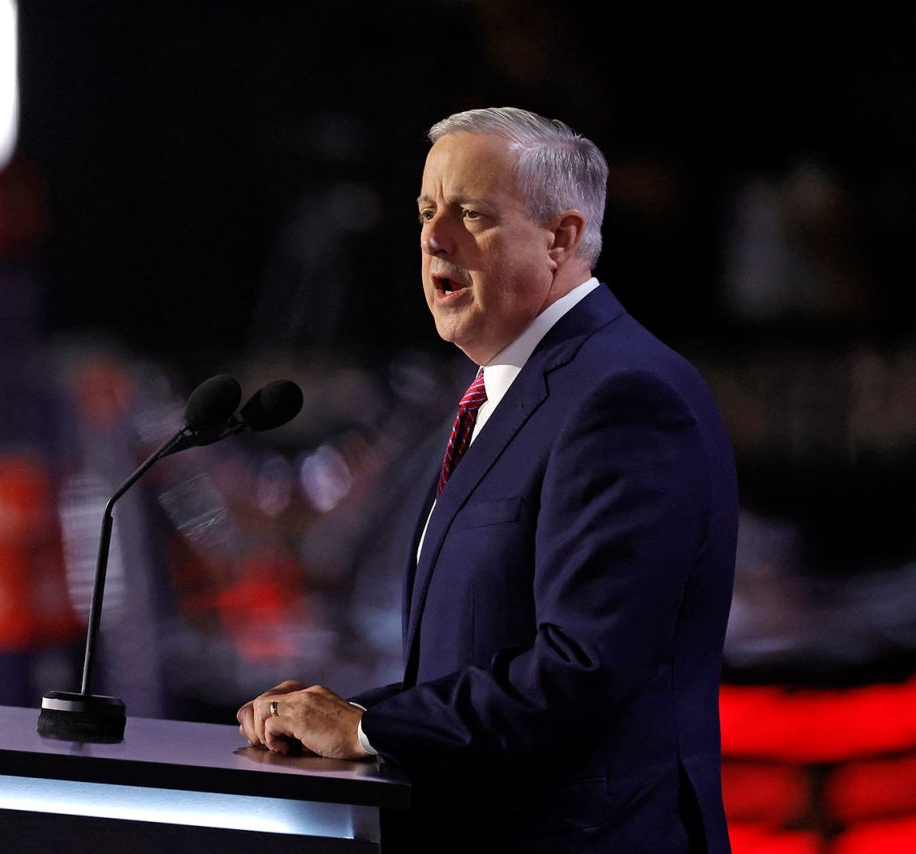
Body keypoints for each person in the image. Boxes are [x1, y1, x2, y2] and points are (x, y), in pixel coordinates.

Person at [236, 107, 738, 852]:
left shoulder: (623, 396)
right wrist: (331, 714)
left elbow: (582, 671)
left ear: (561, 239)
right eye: (426, 212)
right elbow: (476, 657)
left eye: (471, 214)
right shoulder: (507, 390)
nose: (435, 239)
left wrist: (369, 729)